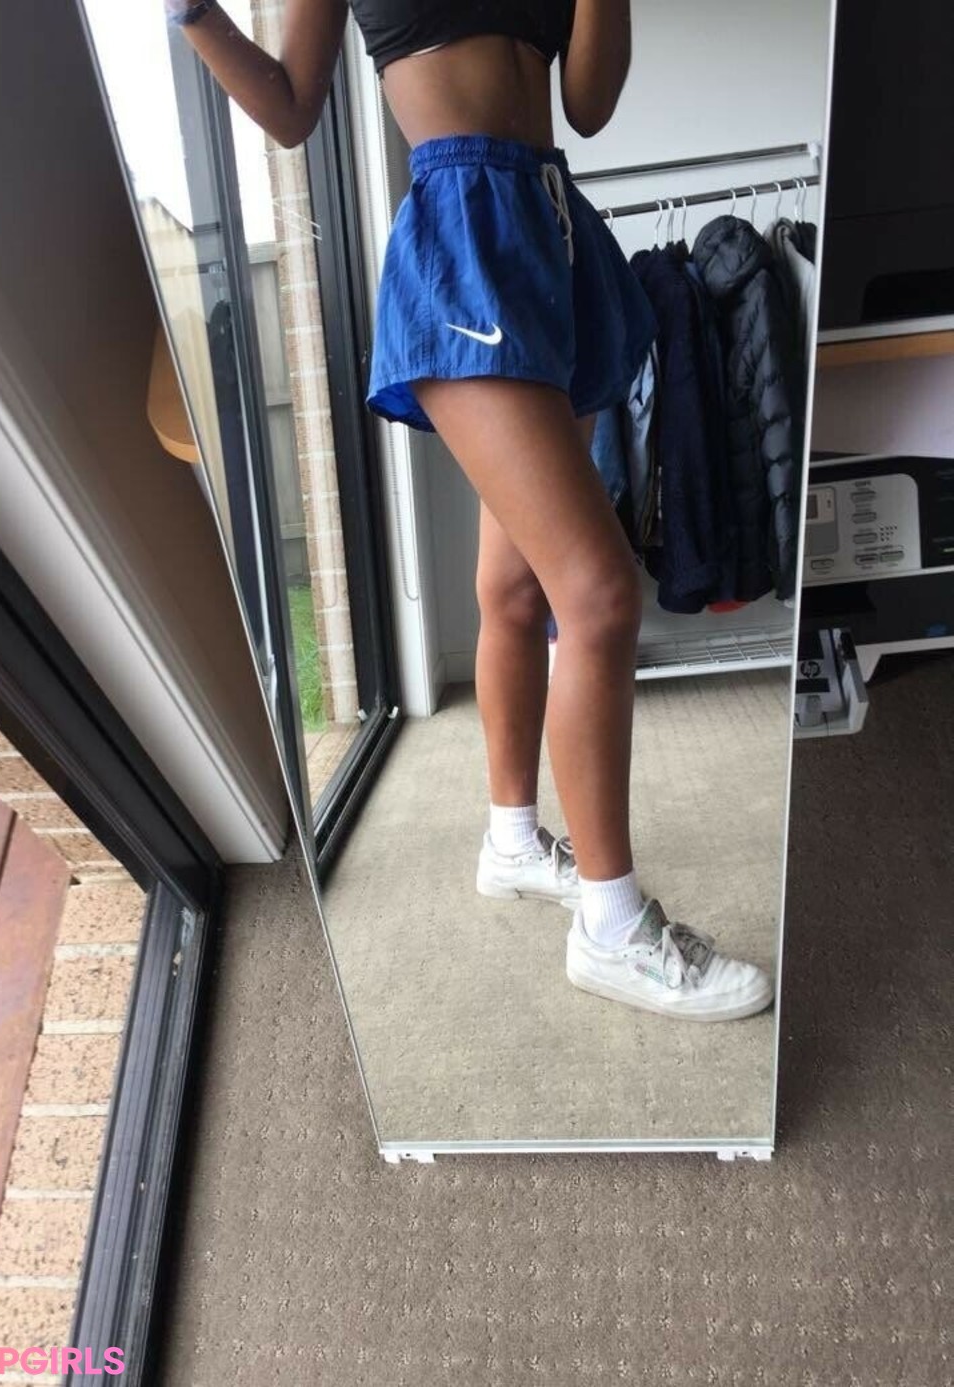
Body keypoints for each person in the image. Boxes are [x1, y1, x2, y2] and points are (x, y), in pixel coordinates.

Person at [167, 0, 774, 1023]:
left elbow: (588, 103)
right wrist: (192, 13)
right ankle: (612, 927)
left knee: (518, 585)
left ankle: (512, 838)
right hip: (463, 224)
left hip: (555, 227)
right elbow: (290, 106)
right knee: (599, 593)